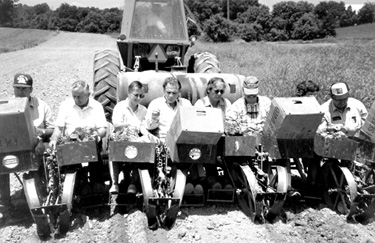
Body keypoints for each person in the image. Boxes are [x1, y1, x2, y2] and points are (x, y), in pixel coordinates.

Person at [0, 73, 54, 216]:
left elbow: (52, 129)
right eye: (17, 88)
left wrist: (40, 131)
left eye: (24, 89)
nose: (20, 92)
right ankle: (4, 202)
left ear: (31, 89)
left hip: (37, 143)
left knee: (42, 151)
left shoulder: (41, 106)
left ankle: (43, 191)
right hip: (14, 146)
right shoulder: (6, 107)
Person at [49, 80, 107, 183]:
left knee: (97, 170)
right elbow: (59, 128)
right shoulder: (65, 105)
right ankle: (75, 184)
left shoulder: (97, 106)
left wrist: (96, 136)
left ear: (88, 94)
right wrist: (54, 139)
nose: (76, 99)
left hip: (91, 143)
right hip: (71, 143)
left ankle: (97, 185)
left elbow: (102, 129)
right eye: (74, 96)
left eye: (79, 96)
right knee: (70, 169)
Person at [109, 81, 147, 193]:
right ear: (129, 93)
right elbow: (116, 124)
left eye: (141, 96)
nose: (138, 98)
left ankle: (133, 183)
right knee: (113, 149)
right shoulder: (120, 107)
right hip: (121, 138)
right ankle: (115, 183)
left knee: (142, 147)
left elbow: (144, 127)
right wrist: (130, 126)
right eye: (136, 95)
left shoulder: (144, 110)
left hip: (136, 139)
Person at [145, 76, 192, 143]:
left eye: (174, 93)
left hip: (182, 141)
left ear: (179, 92)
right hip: (162, 142)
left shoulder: (186, 104)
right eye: (168, 92)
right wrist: (154, 119)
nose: (171, 96)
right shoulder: (156, 104)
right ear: (164, 90)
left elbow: (191, 124)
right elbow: (149, 127)